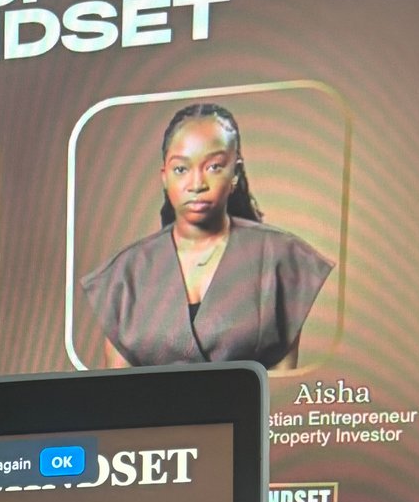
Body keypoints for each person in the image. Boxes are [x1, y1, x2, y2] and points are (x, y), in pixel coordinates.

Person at [81, 102, 333, 371]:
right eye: (181, 169)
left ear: (235, 173)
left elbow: (284, 384)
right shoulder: (124, 274)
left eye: (213, 167)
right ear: (165, 177)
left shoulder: (281, 258)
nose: (197, 184)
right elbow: (116, 389)